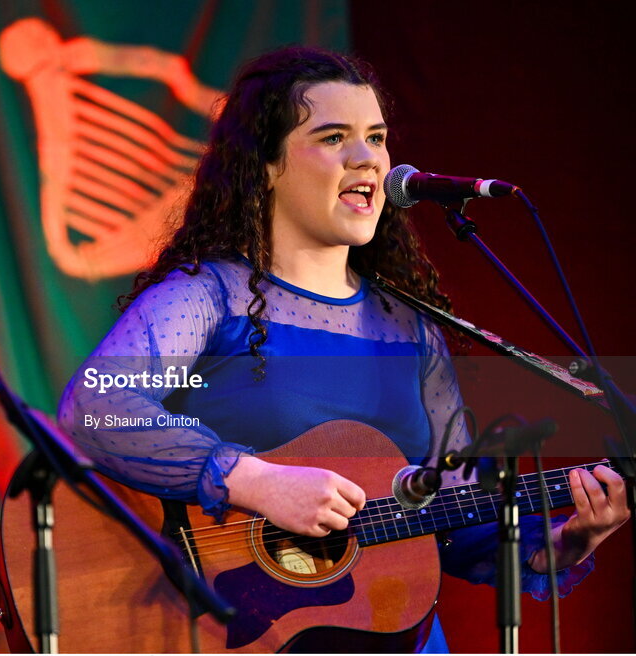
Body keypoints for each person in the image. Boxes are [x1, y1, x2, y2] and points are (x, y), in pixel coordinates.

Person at [58, 46, 629, 651]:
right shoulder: (207, 295)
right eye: (334, 137)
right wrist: (253, 481)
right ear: (267, 165)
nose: (368, 159)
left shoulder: (412, 329)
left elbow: (452, 513)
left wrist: (559, 543)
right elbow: (95, 408)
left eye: (377, 138)